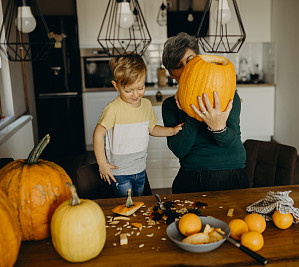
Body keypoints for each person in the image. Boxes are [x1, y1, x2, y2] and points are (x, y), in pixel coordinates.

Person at [161, 32, 249, 194]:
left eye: (190, 60)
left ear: (201, 60)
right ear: (172, 75)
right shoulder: (170, 105)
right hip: (193, 171)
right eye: (178, 66)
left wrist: (219, 128)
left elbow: (229, 142)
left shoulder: (228, 94)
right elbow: (179, 150)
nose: (187, 68)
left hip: (232, 168)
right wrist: (193, 115)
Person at [93, 52, 183, 197]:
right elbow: (98, 134)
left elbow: (152, 128)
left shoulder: (146, 105)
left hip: (140, 170)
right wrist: (102, 164)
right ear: (116, 87)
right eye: (128, 90)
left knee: (139, 206)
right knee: (125, 208)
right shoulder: (113, 109)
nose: (135, 95)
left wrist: (171, 131)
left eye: (140, 88)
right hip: (119, 173)